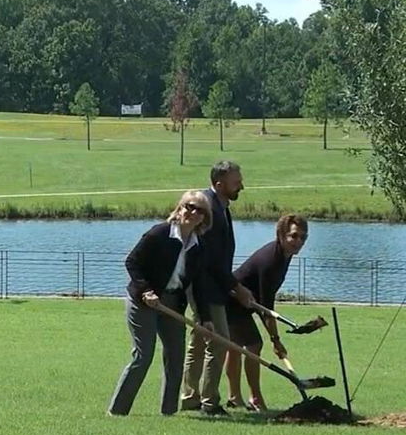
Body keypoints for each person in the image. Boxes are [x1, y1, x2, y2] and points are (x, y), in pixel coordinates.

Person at [108, 190, 213, 416]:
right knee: (143, 355)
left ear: (204, 218)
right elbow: (132, 262)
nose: (192, 212)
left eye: (199, 210)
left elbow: (200, 285)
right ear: (179, 208)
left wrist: (205, 318)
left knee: (175, 358)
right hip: (143, 301)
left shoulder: (199, 247)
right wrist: (146, 291)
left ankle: (168, 413)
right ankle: (117, 412)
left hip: (173, 304)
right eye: (189, 206)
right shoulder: (159, 233)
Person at [180, 161, 255, 416]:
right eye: (237, 182)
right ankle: (209, 402)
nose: (241, 186)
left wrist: (232, 287)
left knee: (200, 341)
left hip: (212, 285)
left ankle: (190, 397)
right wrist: (236, 286)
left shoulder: (221, 206)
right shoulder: (209, 207)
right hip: (204, 287)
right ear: (220, 184)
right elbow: (210, 259)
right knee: (219, 341)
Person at [224, 214, 309, 411]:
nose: (299, 242)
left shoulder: (284, 255)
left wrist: (275, 338)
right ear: (281, 235)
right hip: (231, 301)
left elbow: (264, 303)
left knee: (236, 347)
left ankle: (235, 397)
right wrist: (275, 339)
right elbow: (267, 308)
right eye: (294, 236)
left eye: (303, 238)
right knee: (253, 344)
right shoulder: (271, 260)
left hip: (247, 302)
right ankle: (254, 398)